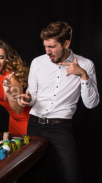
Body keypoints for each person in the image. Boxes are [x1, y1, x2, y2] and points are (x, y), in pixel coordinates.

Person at [15, 21, 100, 182]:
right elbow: (32, 95)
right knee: (29, 176)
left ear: (66, 43)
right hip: (34, 126)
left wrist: (83, 75)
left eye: (52, 47)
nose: (47, 51)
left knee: (72, 177)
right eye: (45, 46)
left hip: (60, 129)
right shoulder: (37, 63)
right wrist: (28, 98)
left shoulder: (86, 65)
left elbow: (91, 104)